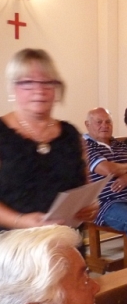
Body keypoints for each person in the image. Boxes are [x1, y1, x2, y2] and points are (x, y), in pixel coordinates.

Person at [0, 48, 97, 230]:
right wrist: (19, 221)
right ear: (13, 88)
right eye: (28, 82)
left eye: (47, 83)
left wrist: (90, 207)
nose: (39, 90)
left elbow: (85, 187)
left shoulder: (71, 134)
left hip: (64, 243)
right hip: (11, 249)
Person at [84, 107, 127, 269]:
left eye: (108, 121)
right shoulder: (85, 146)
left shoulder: (119, 145)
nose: (104, 125)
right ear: (87, 124)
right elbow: (107, 169)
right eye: (99, 122)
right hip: (106, 204)